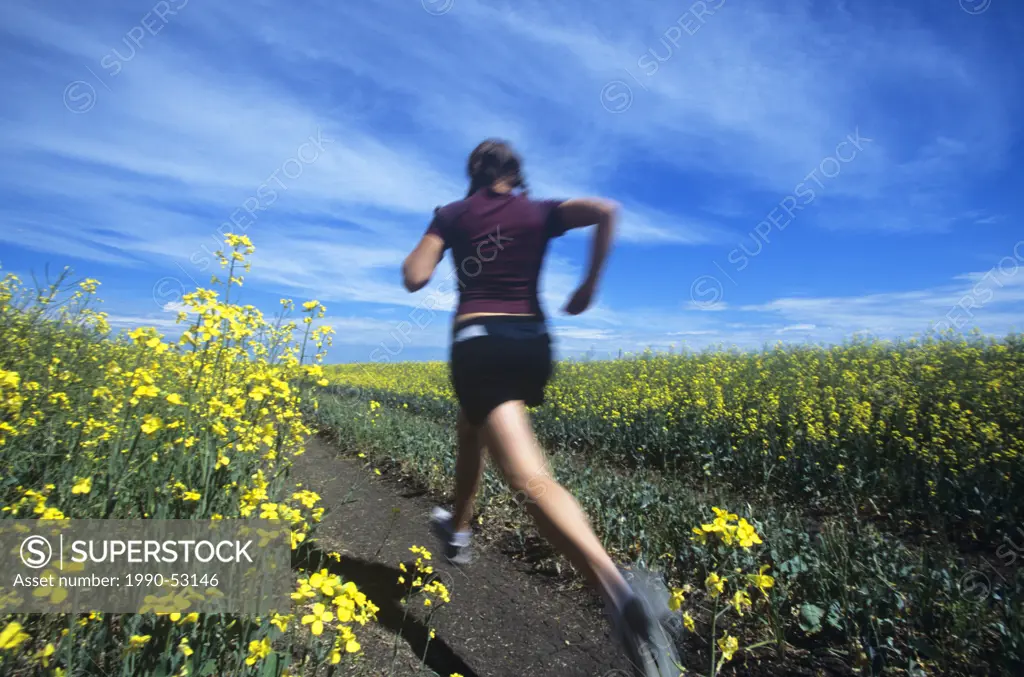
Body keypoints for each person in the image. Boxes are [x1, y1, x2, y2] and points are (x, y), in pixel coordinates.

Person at [401, 139, 680, 676]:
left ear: (474, 174)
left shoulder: (454, 213)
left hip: (479, 342)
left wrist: (436, 240)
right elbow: (605, 210)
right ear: (516, 173)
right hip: (531, 343)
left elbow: (415, 276)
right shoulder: (538, 211)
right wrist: (589, 284)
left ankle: (618, 594)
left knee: (530, 478)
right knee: (472, 425)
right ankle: (458, 530)